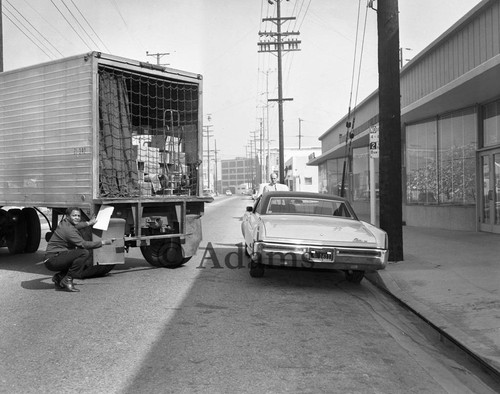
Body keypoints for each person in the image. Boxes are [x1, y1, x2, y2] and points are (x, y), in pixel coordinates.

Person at [44, 207, 115, 292]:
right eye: (74, 215)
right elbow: (84, 244)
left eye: (78, 215)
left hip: (53, 258)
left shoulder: (65, 223)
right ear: (67, 216)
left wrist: (89, 223)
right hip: (53, 260)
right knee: (83, 253)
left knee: (76, 255)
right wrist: (103, 242)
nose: (77, 217)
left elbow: (77, 225)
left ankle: (60, 277)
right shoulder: (69, 231)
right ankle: (68, 279)